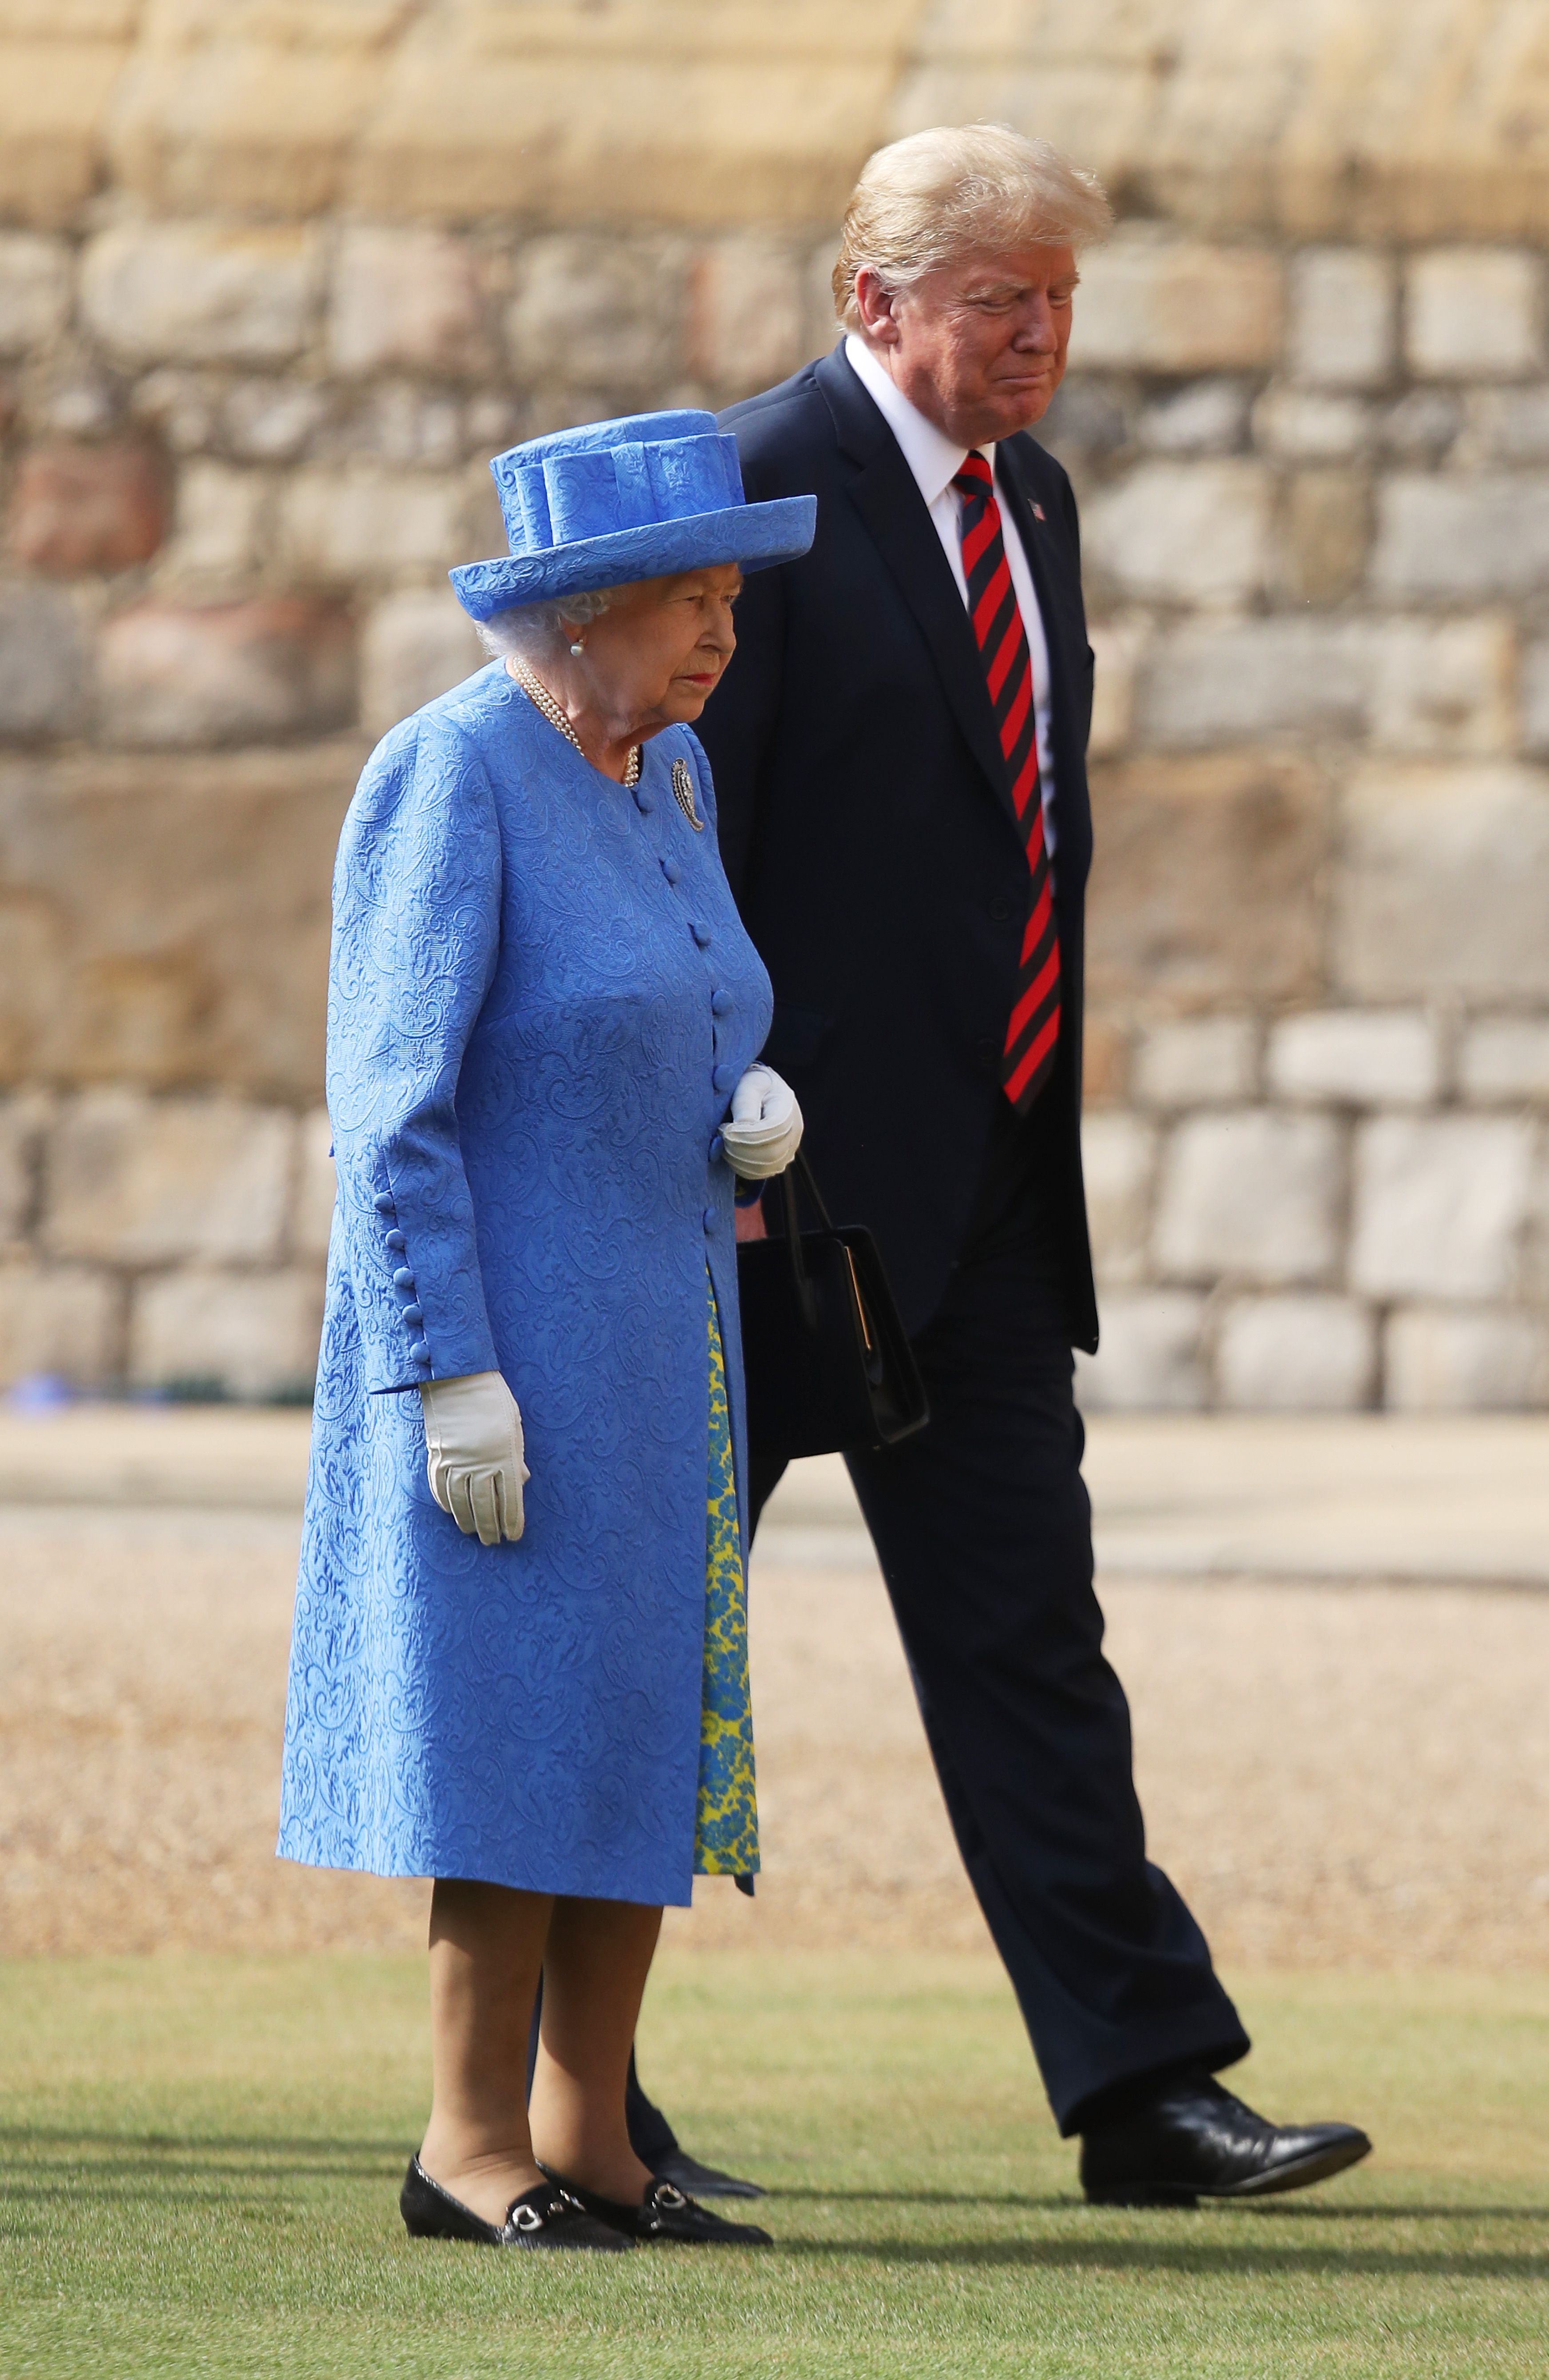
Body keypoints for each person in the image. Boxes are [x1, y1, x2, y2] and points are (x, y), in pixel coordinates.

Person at [635, 123, 1372, 2206]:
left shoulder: (1029, 496)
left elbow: (1013, 833)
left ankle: (1145, 2088)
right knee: (655, 1641)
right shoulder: (750, 492)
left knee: (1034, 1641)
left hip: (985, 1200)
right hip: (767, 1206)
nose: (1040, 336)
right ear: (872, 301)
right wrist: (737, 1132)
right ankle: (554, 2105)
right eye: (997, 302)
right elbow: (683, 848)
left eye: (1058, 300)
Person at [276, 409, 813, 2250]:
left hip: (672, 1352)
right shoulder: (452, 773)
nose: (718, 636)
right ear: (580, 612)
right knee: (509, 1746)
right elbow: (393, 1106)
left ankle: (596, 2138)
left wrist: (752, 1099)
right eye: (686, 600)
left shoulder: (670, 781)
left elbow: (685, 1008)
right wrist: (446, 1371)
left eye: (727, 599)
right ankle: (467, 2146)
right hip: (504, 1357)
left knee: (636, 1730)